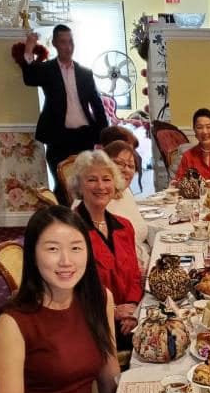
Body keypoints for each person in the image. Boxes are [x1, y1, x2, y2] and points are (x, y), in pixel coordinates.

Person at [0, 206, 119, 393]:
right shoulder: (13, 321)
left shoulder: (99, 299)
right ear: (32, 254)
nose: (66, 261)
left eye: (76, 248)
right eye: (52, 249)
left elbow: (109, 378)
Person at [19, 25, 107, 205]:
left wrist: (104, 136)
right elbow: (30, 78)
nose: (68, 47)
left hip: (84, 136)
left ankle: (88, 216)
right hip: (58, 137)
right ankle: (64, 218)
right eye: (63, 42)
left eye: (71, 42)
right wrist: (29, 49)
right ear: (55, 44)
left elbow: (97, 105)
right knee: (63, 185)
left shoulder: (85, 73)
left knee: (87, 181)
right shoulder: (47, 70)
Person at [71, 149, 142, 347]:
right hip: (92, 323)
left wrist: (132, 307)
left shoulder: (124, 226)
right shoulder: (70, 231)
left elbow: (135, 275)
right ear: (79, 185)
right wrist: (113, 310)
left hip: (129, 318)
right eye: (92, 180)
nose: (101, 186)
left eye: (106, 179)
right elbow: (71, 291)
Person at [104, 139, 151, 268]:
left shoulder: (125, 193)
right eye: (119, 163)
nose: (126, 170)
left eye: (131, 166)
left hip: (143, 262)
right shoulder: (98, 201)